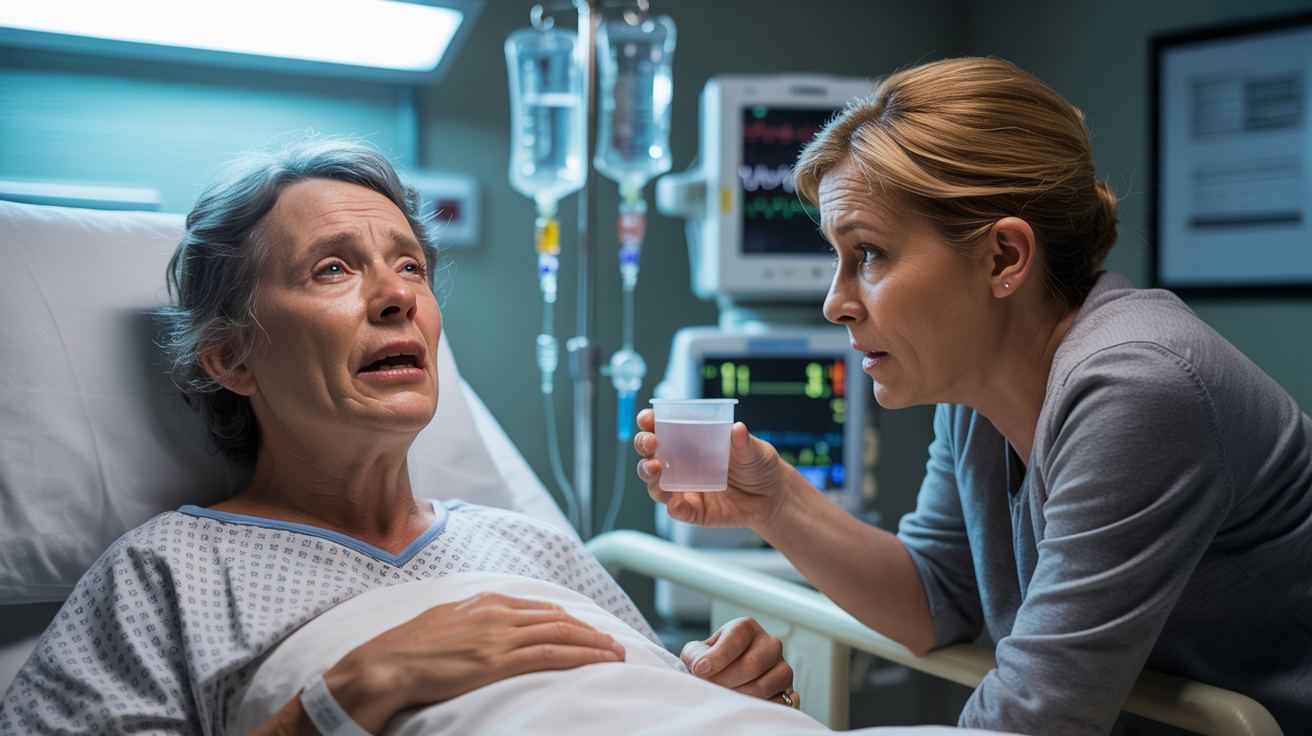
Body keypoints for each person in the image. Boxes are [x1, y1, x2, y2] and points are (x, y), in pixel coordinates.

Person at [0, 138, 794, 736]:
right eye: (333, 270)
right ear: (233, 356)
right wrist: (350, 694)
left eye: (410, 266)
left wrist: (721, 683)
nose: (396, 297)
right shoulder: (165, 575)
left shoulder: (534, 545)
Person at [634, 57, 1312, 736]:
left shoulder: (1139, 387)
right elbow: (936, 598)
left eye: (867, 254)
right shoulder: (979, 390)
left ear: (1003, 259)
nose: (835, 302)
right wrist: (773, 500)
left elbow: (1029, 719)